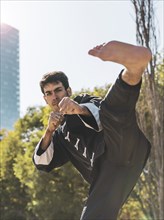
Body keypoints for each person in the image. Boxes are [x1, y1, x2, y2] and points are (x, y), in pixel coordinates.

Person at [33, 41, 152, 219]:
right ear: (45, 99)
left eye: (58, 90)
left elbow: (102, 115)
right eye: (49, 93)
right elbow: (41, 162)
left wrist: (78, 109)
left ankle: (133, 69)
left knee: (112, 112)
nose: (54, 96)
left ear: (68, 90)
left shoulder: (82, 100)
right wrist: (49, 131)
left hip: (119, 145)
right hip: (106, 179)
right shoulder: (58, 135)